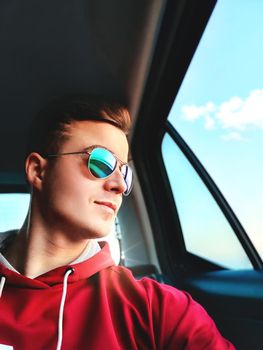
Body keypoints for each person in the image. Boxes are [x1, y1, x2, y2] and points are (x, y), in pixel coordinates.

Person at [0, 95, 235, 350]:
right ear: (38, 170)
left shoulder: (156, 310)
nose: (120, 185)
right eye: (101, 163)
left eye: (124, 172)